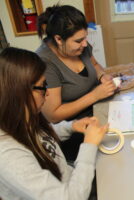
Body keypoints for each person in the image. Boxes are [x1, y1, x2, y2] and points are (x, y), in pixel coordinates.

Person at [0, 47, 108, 199]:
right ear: (21, 91)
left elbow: (42, 138)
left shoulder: (20, 118)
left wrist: (71, 127)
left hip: (70, 179)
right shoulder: (9, 157)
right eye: (43, 86)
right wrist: (89, 145)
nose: (48, 92)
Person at [36, 5, 116, 161]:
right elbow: (53, 115)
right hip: (71, 131)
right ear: (59, 39)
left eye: (85, 38)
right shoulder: (44, 62)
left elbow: (95, 65)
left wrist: (102, 77)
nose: (85, 44)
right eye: (79, 40)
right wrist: (95, 95)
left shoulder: (81, 47)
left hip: (97, 112)